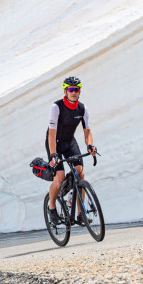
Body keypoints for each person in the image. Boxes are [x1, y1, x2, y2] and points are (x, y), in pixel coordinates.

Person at [46, 76, 96, 224]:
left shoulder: (82, 108)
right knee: (59, 177)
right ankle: (52, 207)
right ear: (65, 91)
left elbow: (87, 131)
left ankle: (81, 214)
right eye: (71, 90)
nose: (74, 92)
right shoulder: (56, 107)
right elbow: (52, 133)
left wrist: (90, 145)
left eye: (76, 90)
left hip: (69, 142)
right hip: (54, 142)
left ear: (79, 91)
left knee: (80, 173)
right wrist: (54, 155)